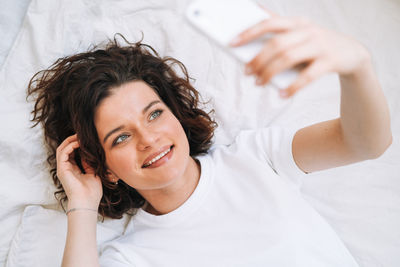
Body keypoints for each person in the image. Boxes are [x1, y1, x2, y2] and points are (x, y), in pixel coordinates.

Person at [27, 9, 391, 267]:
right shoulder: (132, 256)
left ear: (176, 115)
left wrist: (356, 66)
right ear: (104, 168)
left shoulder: (255, 157)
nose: (148, 138)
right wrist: (83, 205)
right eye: (120, 138)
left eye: (154, 113)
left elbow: (366, 144)